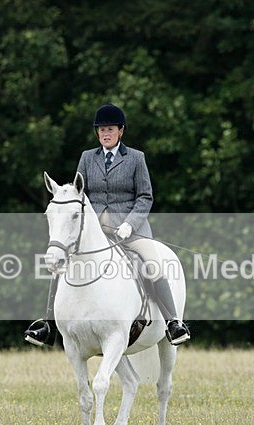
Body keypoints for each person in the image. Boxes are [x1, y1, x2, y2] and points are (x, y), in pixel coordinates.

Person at [24, 103, 191, 347]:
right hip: (95, 231)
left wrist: (129, 224)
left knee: (152, 264)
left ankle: (172, 323)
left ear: (120, 131)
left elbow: (145, 197)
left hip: (130, 230)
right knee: (60, 263)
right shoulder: (87, 158)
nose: (105, 134)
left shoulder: (136, 158)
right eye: (101, 130)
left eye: (110, 129)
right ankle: (48, 325)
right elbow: (79, 196)